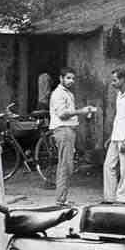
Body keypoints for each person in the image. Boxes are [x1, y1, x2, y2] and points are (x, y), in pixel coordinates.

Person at [48, 66, 95, 205]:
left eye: (73, 78)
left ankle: (62, 198)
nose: (71, 81)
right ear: (61, 78)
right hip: (63, 130)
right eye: (68, 78)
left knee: (67, 164)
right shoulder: (58, 94)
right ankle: (60, 199)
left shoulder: (68, 93)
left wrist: (83, 112)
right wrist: (81, 111)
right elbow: (62, 114)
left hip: (69, 130)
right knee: (65, 165)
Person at [103, 69, 125, 204]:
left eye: (115, 80)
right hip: (115, 136)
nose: (112, 83)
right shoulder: (119, 95)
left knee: (124, 168)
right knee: (108, 165)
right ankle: (109, 197)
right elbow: (118, 118)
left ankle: (123, 198)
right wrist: (111, 136)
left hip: (124, 138)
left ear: (123, 80)